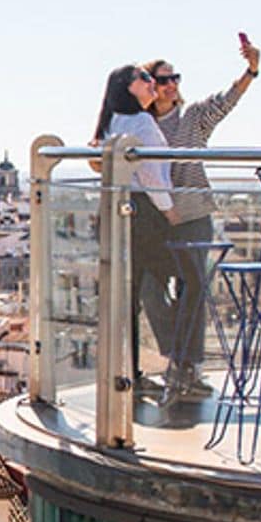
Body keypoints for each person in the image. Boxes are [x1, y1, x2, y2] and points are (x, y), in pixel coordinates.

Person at [142, 38, 261, 404]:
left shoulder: (191, 118)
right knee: (150, 289)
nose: (172, 85)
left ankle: (186, 366)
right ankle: (177, 356)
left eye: (175, 78)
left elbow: (225, 102)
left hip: (193, 216)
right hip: (154, 221)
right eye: (164, 80)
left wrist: (251, 70)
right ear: (150, 86)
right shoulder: (141, 126)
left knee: (193, 292)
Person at [92, 63, 177, 398]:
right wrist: (170, 211)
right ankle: (182, 363)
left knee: (125, 297)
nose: (152, 82)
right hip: (143, 214)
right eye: (145, 78)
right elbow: (154, 176)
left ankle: (128, 372)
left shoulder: (110, 121)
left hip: (114, 213)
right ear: (129, 87)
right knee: (183, 281)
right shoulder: (141, 122)